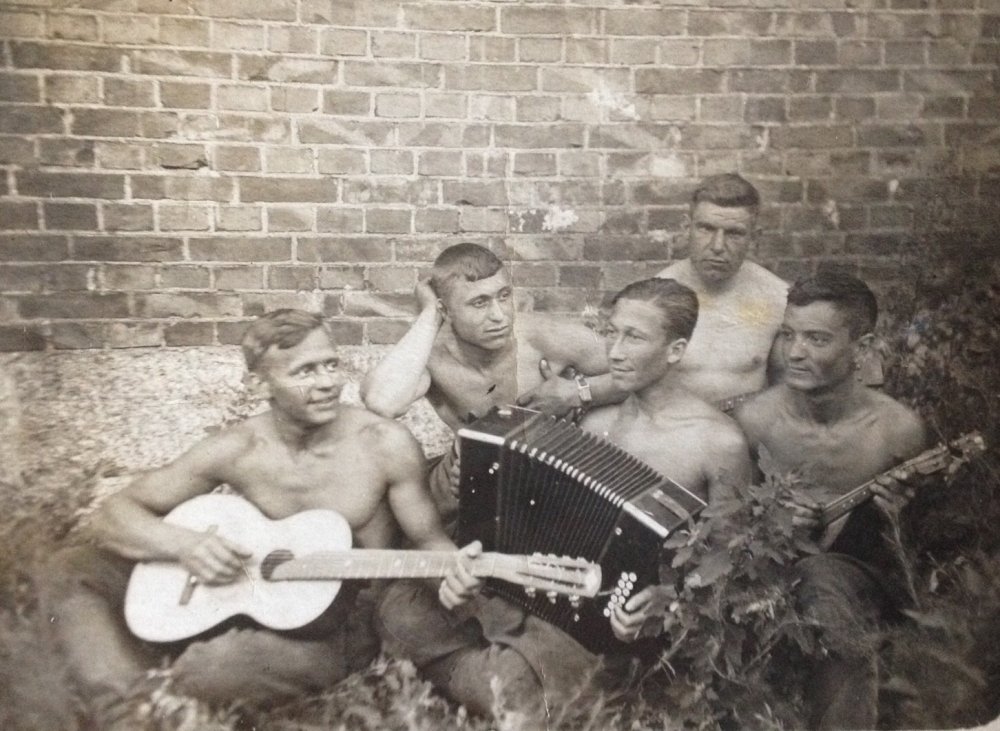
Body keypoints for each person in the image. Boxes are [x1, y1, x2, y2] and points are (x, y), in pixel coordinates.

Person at [41, 309, 481, 728]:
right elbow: (113, 513)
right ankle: (127, 710)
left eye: (331, 365)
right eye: (305, 371)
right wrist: (186, 546)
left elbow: (429, 542)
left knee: (210, 671)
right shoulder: (239, 447)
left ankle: (153, 688)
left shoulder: (383, 443)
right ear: (257, 384)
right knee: (71, 568)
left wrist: (452, 577)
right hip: (250, 589)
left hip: (337, 622)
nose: (327, 383)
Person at [375, 278, 752, 721]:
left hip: (614, 624)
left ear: (676, 350)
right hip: (545, 590)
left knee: (518, 699)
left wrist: (667, 599)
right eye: (611, 333)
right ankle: (497, 669)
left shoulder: (718, 442)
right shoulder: (594, 421)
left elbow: (732, 563)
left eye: (634, 337)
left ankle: (484, 673)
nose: (614, 352)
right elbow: (545, 513)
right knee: (400, 609)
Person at [733, 272, 927, 730]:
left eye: (817, 339)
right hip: (771, 572)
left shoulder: (896, 431)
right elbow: (730, 520)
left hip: (859, 580)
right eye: (788, 335)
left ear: (863, 347)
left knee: (825, 581)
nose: (795, 353)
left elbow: (915, 554)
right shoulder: (756, 421)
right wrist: (772, 519)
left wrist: (898, 515)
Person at [361, 242, 622, 518]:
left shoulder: (546, 337)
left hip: (549, 475)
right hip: (467, 477)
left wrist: (578, 392)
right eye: (480, 303)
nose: (499, 316)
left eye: (504, 296)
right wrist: (429, 315)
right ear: (446, 311)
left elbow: (642, 372)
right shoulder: (432, 356)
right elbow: (382, 402)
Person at [656, 173, 788, 407]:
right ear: (687, 228)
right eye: (706, 229)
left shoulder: (778, 298)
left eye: (734, 233)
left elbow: (787, 390)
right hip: (671, 425)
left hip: (745, 425)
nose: (718, 246)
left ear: (754, 238)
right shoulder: (656, 296)